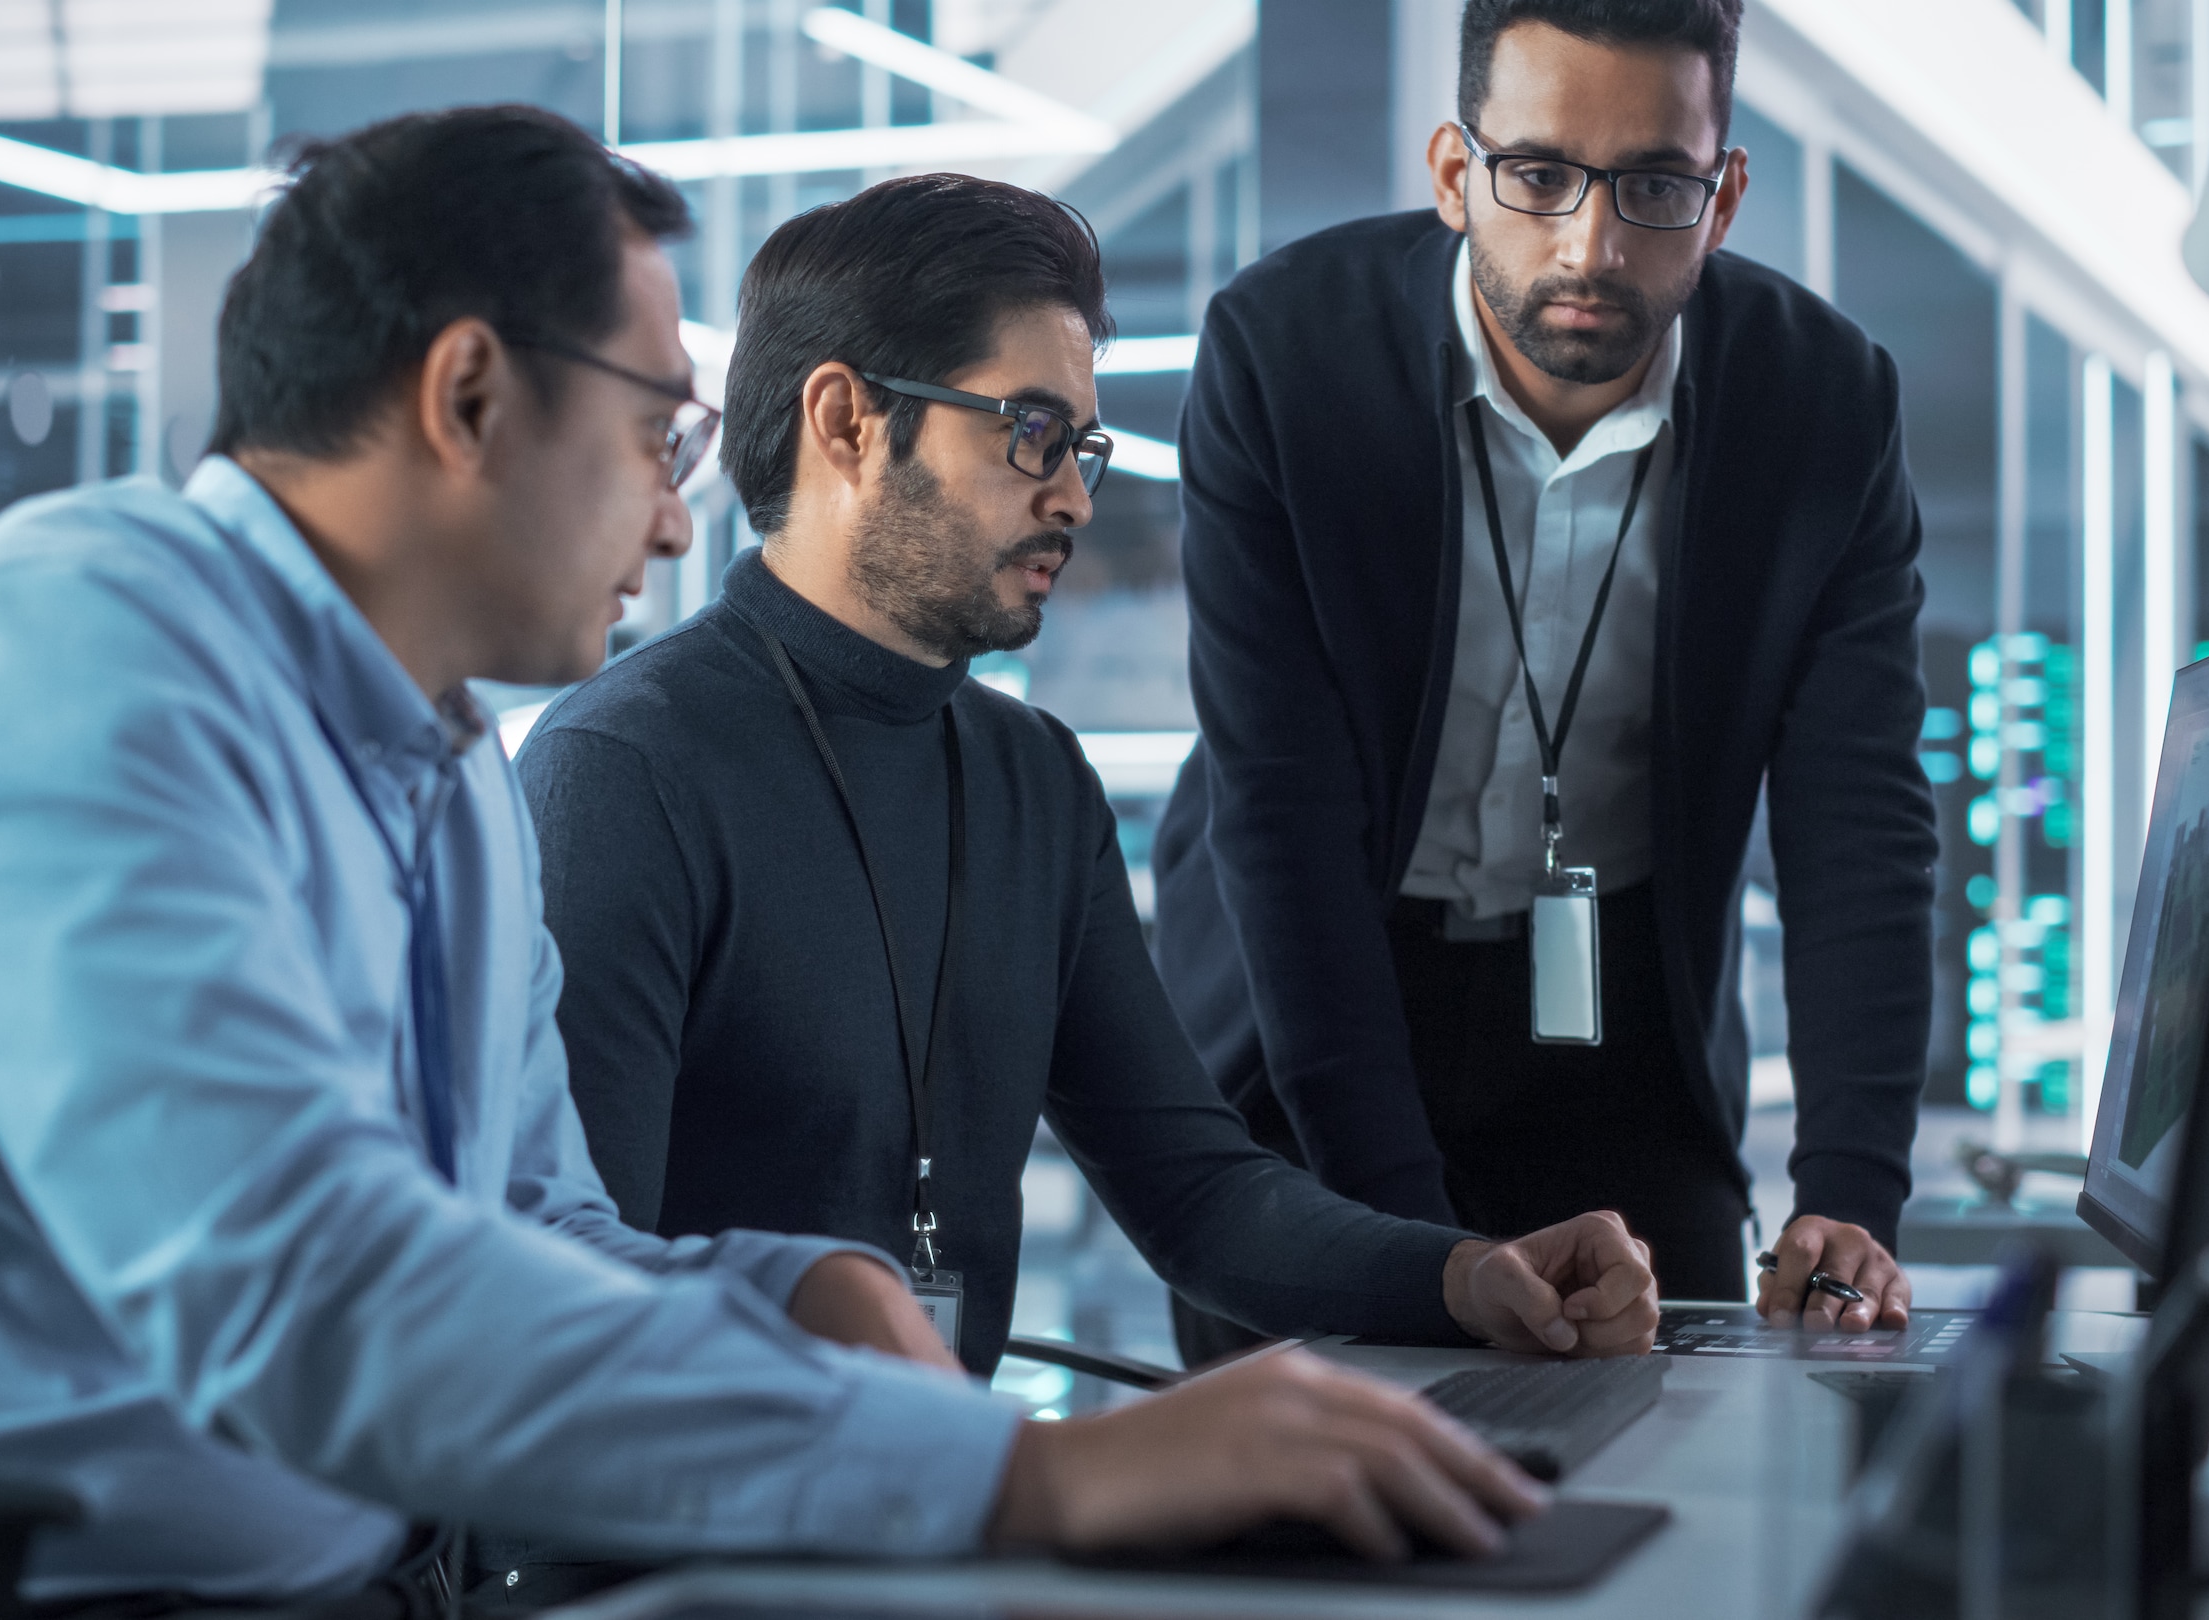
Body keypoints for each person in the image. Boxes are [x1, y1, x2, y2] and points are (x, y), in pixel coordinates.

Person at [0, 109, 1550, 1618]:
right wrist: (1021, 1476)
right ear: (471, 396)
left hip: (293, 1576)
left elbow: (533, 1228)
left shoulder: (448, 766)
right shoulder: (78, 664)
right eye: (655, 426)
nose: (679, 494)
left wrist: (787, 1286)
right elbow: (305, 1296)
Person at [517, 173, 1661, 1391]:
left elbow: (1198, 1196)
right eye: (1030, 433)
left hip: (934, 1524)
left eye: (1082, 448)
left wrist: (1467, 1276)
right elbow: (575, 1303)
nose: (1071, 496)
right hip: (674, 1559)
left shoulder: (1032, 781)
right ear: (847, 421)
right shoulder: (625, 774)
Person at [1152, 0, 1935, 1358]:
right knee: (1330, 1480)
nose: (1593, 243)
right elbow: (1278, 817)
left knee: (1691, 1450)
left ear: (1725, 194)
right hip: (1310, 1006)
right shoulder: (1285, 357)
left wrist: (1851, 1194)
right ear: (1456, 173)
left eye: (1654, 186)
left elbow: (1858, 822)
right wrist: (1419, 1251)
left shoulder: (1825, 405)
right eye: (1539, 176)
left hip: (1618, 1027)